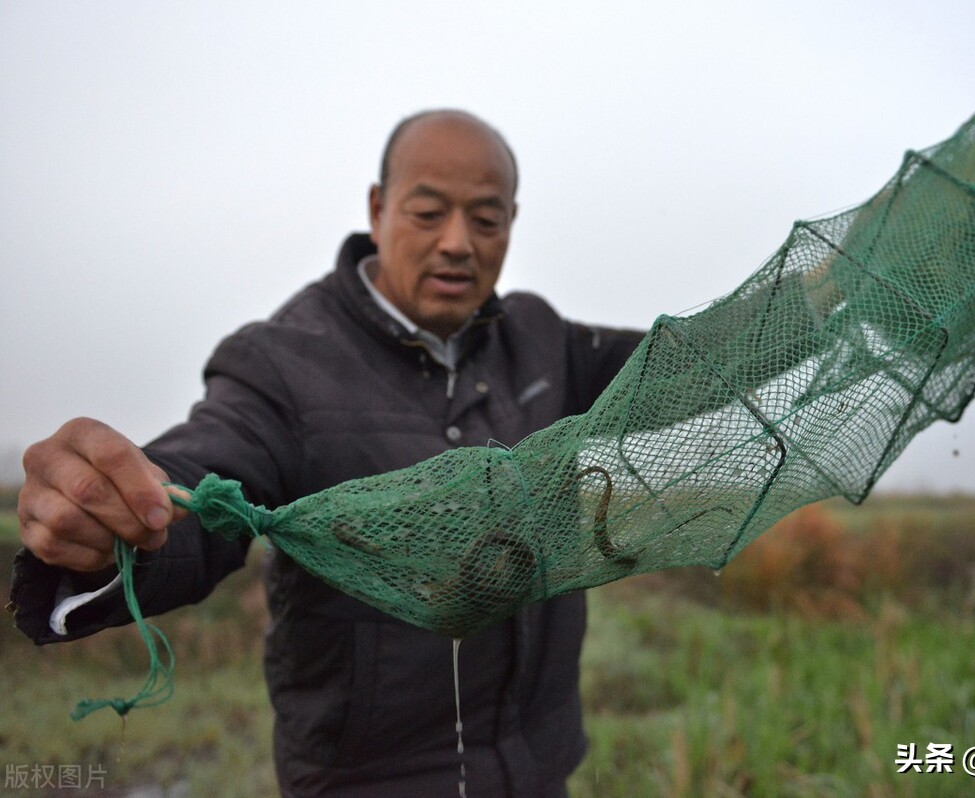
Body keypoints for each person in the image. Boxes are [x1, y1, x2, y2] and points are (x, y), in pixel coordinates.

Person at [10, 110, 645, 797]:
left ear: (512, 224)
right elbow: (209, 474)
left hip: (537, 771)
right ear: (378, 209)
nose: (458, 243)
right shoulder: (283, 363)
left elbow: (681, 366)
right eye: (428, 212)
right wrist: (117, 516)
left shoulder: (542, 339)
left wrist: (778, 329)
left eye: (487, 221)